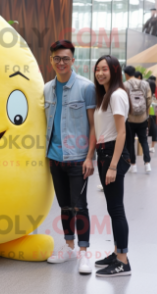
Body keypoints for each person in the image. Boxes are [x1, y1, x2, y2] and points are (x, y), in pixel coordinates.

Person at [44, 40, 96, 275]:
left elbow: (94, 125)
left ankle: (84, 253)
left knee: (80, 206)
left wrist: (89, 157)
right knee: (64, 206)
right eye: (57, 58)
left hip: (78, 158)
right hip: (54, 158)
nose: (61, 62)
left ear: (73, 60)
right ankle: (69, 247)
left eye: (66, 58)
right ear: (52, 60)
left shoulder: (86, 87)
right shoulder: (46, 89)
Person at [93, 55, 132, 277]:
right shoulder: (107, 95)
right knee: (112, 208)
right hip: (104, 152)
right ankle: (117, 252)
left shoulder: (117, 95)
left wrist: (113, 165)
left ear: (114, 71)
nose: (100, 73)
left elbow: (122, 132)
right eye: (97, 69)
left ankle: (123, 262)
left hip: (112, 154)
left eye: (104, 69)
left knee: (116, 209)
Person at [124, 66, 152, 174]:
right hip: (142, 118)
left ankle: (133, 165)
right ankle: (147, 164)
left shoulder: (125, 85)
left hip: (130, 119)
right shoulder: (145, 84)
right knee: (143, 141)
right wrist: (144, 110)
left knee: (130, 142)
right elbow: (149, 99)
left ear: (126, 74)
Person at [147, 76, 157, 152]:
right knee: (153, 127)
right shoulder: (153, 95)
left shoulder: (149, 95)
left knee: (151, 127)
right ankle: (152, 146)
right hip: (153, 112)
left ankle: (151, 146)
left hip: (149, 111)